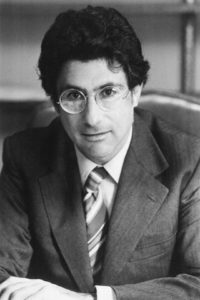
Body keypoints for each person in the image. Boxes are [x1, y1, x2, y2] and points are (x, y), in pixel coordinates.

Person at [0, 5, 200, 300]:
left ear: (135, 92)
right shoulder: (24, 155)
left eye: (107, 92)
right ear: (56, 104)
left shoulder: (189, 160)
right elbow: (3, 271)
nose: (92, 118)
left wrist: (94, 299)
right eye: (74, 96)